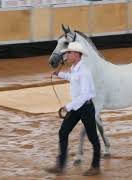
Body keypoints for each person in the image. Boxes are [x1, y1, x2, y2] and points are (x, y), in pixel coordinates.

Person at [46, 42, 101, 176]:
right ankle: (60, 165)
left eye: (69, 53)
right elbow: (73, 79)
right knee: (63, 132)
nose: (67, 55)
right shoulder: (75, 68)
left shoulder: (84, 72)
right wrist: (60, 74)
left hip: (86, 108)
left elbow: (85, 94)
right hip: (77, 107)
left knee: (93, 137)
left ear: (76, 54)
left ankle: (95, 166)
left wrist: (68, 106)